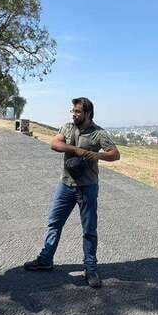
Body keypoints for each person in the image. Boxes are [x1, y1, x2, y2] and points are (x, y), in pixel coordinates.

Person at [24, 97, 120, 288]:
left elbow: (115, 154)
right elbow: (55, 144)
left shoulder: (98, 133)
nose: (74, 114)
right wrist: (78, 150)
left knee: (89, 230)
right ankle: (45, 259)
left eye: (78, 111)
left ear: (88, 113)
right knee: (54, 223)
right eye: (73, 111)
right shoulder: (67, 127)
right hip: (66, 185)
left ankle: (90, 267)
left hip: (88, 187)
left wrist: (97, 155)